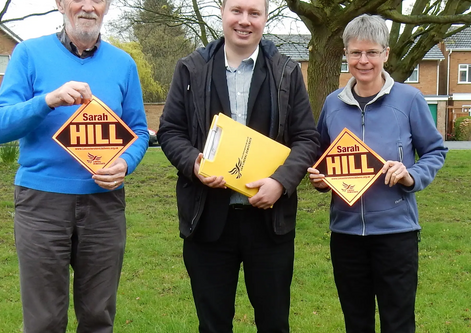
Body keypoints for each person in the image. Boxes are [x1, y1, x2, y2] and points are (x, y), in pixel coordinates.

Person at [157, 0, 319, 331]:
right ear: (223, 13)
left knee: (274, 324)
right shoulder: (191, 69)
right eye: (237, 11)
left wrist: (281, 182)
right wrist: (194, 164)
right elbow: (170, 131)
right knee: (213, 325)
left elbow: (306, 138)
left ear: (264, 17)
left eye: (254, 13)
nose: (244, 21)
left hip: (269, 224)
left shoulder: (286, 71)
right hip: (208, 221)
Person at [0, 0, 149, 332]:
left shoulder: (123, 64)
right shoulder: (28, 54)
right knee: (44, 320)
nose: (88, 6)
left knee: (97, 317)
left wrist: (126, 162)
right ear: (60, 3)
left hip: (104, 205)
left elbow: (140, 131)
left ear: (107, 7)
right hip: (41, 203)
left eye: (99, 0)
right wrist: (48, 100)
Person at [307, 14, 447, 333]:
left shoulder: (410, 100)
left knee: (398, 323)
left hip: (396, 234)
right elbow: (321, 159)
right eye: (356, 53)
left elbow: (435, 151)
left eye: (372, 52)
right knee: (356, 323)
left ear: (386, 53)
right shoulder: (331, 104)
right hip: (346, 235)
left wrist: (410, 174)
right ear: (346, 54)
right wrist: (319, 179)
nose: (364, 60)